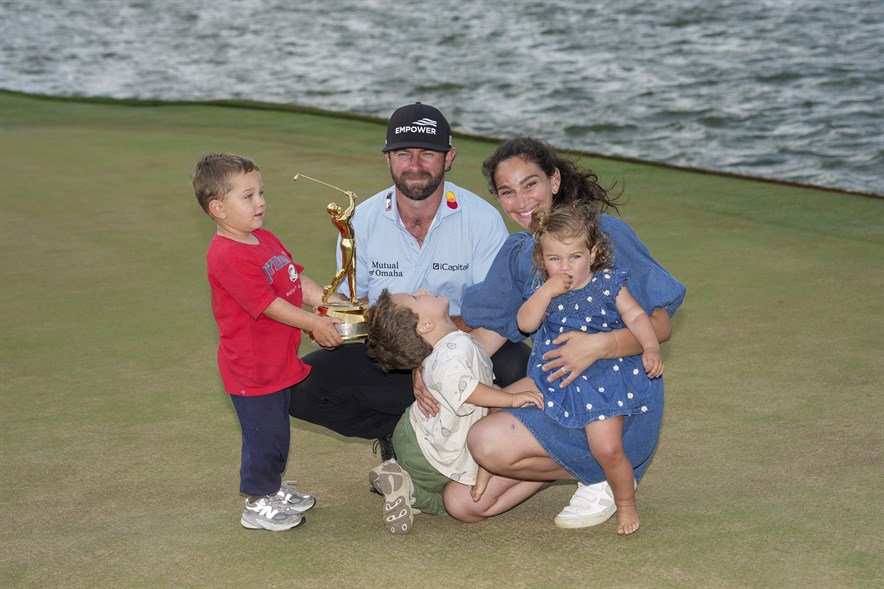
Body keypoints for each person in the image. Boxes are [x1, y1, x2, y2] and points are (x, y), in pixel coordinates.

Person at [439, 136, 686, 529]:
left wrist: (598, 346)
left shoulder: (602, 236)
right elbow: (491, 335)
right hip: (559, 390)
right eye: (507, 191)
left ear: (554, 181)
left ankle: (610, 470)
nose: (521, 201)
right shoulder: (519, 254)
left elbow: (660, 324)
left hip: (617, 393)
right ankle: (593, 471)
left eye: (530, 184)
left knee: (487, 442)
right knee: (464, 504)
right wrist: (436, 370)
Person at [289, 103, 531, 463]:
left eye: (427, 154)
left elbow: (493, 316)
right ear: (387, 158)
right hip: (390, 352)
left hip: (466, 345)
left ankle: (473, 440)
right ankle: (399, 432)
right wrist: (331, 317)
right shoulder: (362, 220)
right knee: (299, 388)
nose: (415, 165)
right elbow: (363, 310)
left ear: (448, 158)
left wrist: (432, 364)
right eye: (403, 153)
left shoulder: (482, 219)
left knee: (523, 369)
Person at [192, 152, 344, 531]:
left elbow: (295, 280)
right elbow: (270, 305)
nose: (260, 202)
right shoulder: (226, 255)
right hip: (252, 369)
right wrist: (314, 323)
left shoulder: (264, 239)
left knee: (277, 431)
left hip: (277, 362)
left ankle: (273, 488)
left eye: (261, 192)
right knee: (264, 436)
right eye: (247, 196)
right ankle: (257, 502)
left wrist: (329, 300)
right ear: (218, 208)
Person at [517, 201, 664, 535]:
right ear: (542, 258)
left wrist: (651, 346)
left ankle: (625, 502)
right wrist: (547, 291)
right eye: (554, 259)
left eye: (575, 257)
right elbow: (525, 323)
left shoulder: (608, 283)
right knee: (512, 413)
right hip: (559, 381)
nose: (565, 267)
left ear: (594, 252)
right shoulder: (546, 290)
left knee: (607, 448)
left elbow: (638, 317)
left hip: (603, 380)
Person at [363, 288, 544, 534]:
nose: (422, 290)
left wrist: (499, 395)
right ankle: (414, 492)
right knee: (449, 502)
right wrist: (510, 399)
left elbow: (477, 381)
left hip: (421, 438)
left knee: (451, 496)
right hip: (429, 453)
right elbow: (469, 390)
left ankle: (404, 483)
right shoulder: (454, 349)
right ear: (425, 325)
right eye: (416, 298)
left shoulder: (451, 344)